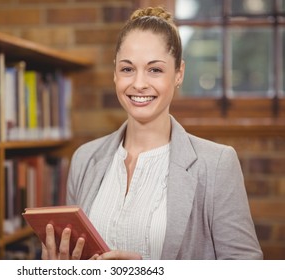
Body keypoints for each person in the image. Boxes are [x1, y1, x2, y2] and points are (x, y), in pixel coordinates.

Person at [41, 6, 263, 260]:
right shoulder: (85, 159)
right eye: (127, 69)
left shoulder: (216, 164)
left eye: (154, 70)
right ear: (115, 73)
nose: (139, 83)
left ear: (179, 73)